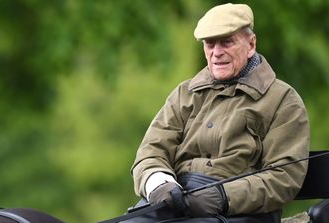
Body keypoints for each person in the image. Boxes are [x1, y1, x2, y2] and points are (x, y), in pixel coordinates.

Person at [130, 3, 310, 222]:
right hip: (176, 200)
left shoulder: (283, 100)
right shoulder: (185, 94)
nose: (216, 53)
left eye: (227, 42)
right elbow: (151, 151)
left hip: (240, 212)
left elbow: (284, 177)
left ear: (251, 44)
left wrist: (221, 197)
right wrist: (159, 184)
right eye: (210, 44)